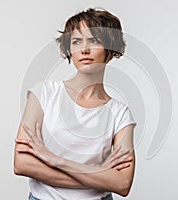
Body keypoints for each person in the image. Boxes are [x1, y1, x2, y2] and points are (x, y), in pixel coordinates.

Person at [14, 8, 137, 200]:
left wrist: (54, 160)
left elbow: (122, 184)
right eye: (76, 41)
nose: (84, 49)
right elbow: (22, 163)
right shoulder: (44, 93)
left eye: (94, 40)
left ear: (111, 49)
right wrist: (96, 175)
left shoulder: (120, 113)